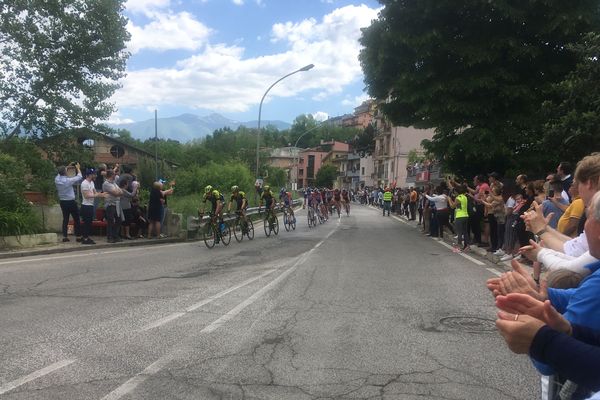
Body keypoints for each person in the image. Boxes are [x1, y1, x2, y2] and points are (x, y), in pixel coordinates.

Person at [55, 163, 83, 243]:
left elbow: (60, 172)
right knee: (76, 219)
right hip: (71, 202)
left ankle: (64, 236)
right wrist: (78, 168)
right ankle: (78, 236)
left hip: (62, 202)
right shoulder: (68, 180)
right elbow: (79, 176)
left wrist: (68, 166)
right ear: (65, 172)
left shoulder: (57, 179)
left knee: (65, 219)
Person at [80, 168, 106, 245]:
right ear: (89, 175)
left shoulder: (92, 183)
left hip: (91, 205)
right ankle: (85, 238)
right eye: (93, 174)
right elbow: (87, 196)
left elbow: (95, 192)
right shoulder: (84, 183)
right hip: (86, 206)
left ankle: (86, 236)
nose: (95, 175)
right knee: (86, 223)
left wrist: (101, 194)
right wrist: (97, 195)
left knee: (89, 222)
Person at [102, 170, 123, 243]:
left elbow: (121, 192)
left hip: (116, 204)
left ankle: (115, 236)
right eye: (114, 174)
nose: (116, 175)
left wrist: (118, 192)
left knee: (118, 220)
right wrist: (118, 192)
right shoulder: (106, 184)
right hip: (110, 204)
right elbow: (116, 193)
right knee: (110, 221)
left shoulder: (114, 183)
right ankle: (110, 237)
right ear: (111, 175)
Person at [448, 185, 469, 252]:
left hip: (460, 216)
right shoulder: (465, 197)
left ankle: (459, 247)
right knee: (465, 232)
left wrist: (449, 200)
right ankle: (466, 246)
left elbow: (452, 206)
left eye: (455, 192)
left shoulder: (458, 198)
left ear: (457, 192)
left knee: (459, 232)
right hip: (465, 215)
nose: (454, 193)